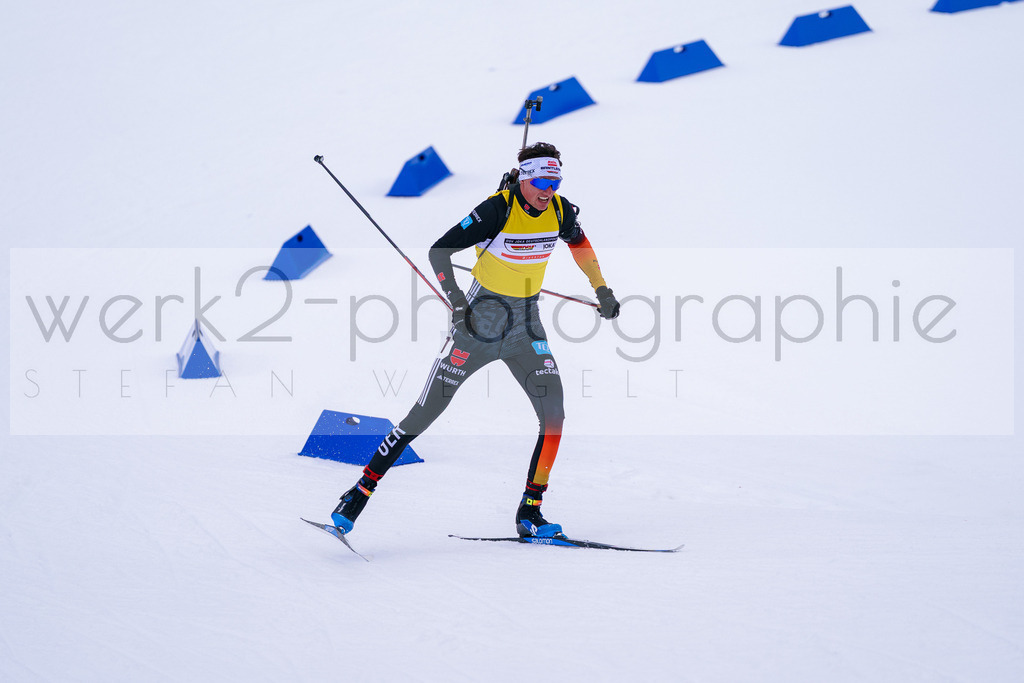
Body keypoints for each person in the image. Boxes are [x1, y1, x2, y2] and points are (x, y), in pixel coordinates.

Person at [330, 142, 620, 538]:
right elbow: (439, 251)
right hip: (478, 326)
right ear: (524, 177)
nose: (547, 190)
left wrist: (601, 289)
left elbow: (580, 246)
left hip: (526, 328)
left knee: (554, 416)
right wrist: (457, 304)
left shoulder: (560, 210)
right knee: (423, 414)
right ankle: (357, 494)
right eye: (540, 181)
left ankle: (530, 512)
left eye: (554, 181)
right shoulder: (496, 209)